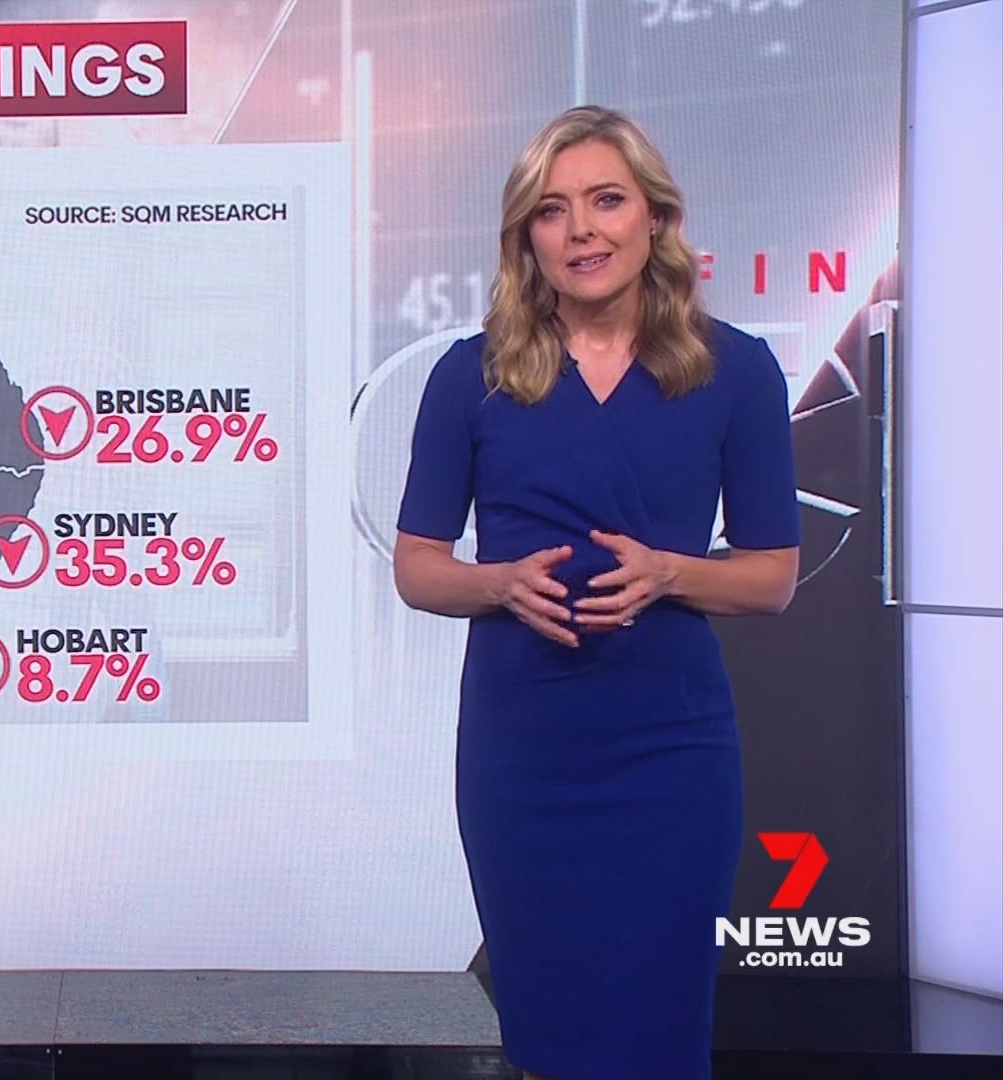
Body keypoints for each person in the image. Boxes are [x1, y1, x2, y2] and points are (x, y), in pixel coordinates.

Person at [392, 105, 800, 1080]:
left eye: (606, 201)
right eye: (552, 209)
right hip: (525, 753)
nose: (581, 230)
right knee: (547, 1036)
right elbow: (417, 566)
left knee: (658, 1036)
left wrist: (670, 573)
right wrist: (496, 584)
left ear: (654, 217)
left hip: (668, 751)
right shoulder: (471, 376)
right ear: (526, 236)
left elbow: (772, 577)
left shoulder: (735, 371)